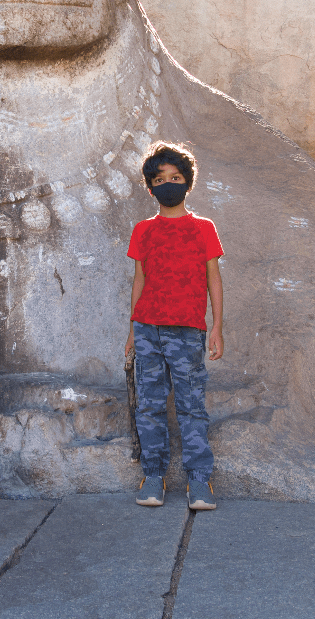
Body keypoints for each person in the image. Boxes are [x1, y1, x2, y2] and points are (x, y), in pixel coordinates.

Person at [124, 141, 224, 510]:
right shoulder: (143, 231)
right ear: (151, 188)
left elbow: (214, 279)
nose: (169, 183)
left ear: (188, 183)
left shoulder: (203, 228)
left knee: (191, 406)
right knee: (149, 405)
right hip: (148, 327)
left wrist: (216, 327)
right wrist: (132, 330)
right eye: (161, 179)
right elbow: (139, 281)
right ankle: (153, 476)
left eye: (176, 177)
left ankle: (200, 482)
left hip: (188, 330)